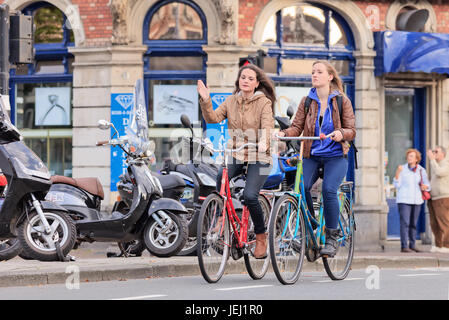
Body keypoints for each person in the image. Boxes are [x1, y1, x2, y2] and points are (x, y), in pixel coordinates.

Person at [275, 60, 356, 257]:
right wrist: (284, 134)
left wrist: (341, 134)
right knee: (300, 188)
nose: (314, 75)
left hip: (336, 156)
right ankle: (310, 225)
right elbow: (297, 128)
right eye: (313, 72)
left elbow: (352, 130)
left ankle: (331, 237)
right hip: (311, 154)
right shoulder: (307, 101)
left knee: (328, 190)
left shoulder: (341, 101)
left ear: (330, 77)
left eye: (319, 72)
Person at [197, 64, 275, 259]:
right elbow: (213, 118)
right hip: (237, 153)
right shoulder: (231, 101)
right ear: (238, 81)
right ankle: (224, 218)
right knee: (220, 178)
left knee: (250, 196)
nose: (246, 80)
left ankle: (260, 236)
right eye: (243, 77)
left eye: (250, 78)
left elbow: (267, 124)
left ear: (257, 83)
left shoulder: (263, 103)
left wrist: (265, 142)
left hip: (260, 155)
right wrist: (206, 100)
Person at [393, 149, 430, 253]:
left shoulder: (421, 170)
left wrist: (425, 187)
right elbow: (396, 185)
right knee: (405, 223)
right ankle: (404, 246)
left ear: (416, 159)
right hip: (404, 200)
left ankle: (412, 245)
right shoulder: (402, 169)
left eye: (412, 156)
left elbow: (428, 185)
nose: (409, 158)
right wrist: (397, 172)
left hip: (417, 200)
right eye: (408, 156)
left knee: (413, 224)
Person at [426, 146, 449, 253]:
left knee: (444, 223)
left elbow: (440, 173)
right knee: (434, 224)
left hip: (442, 198)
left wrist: (431, 160)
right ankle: (439, 245)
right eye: (433, 151)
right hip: (433, 198)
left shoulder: (446, 164)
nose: (434, 153)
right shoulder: (436, 165)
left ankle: (447, 245)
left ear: (443, 154)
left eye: (436, 151)